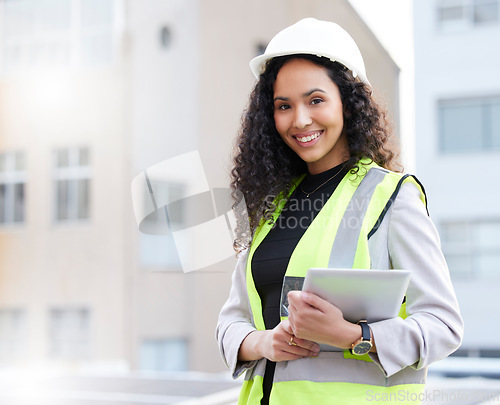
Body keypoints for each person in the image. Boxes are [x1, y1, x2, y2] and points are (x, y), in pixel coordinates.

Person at [216, 18, 463, 405]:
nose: (299, 120)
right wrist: (264, 342)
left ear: (348, 102)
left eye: (316, 100)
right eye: (284, 106)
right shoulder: (272, 205)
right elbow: (231, 321)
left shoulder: (391, 197)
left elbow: (444, 326)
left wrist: (354, 336)